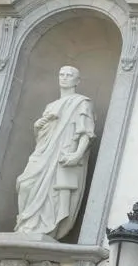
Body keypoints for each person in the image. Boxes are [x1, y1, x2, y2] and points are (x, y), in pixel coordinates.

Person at [13, 66, 97, 240]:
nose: (64, 78)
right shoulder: (50, 106)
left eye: (69, 75)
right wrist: (39, 127)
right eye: (61, 74)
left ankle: (47, 227)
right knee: (25, 184)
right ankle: (25, 224)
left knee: (57, 191)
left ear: (77, 81)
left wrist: (77, 155)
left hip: (63, 154)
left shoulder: (81, 103)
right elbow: (42, 137)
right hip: (43, 153)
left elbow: (86, 133)